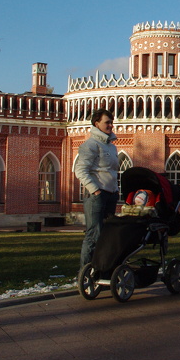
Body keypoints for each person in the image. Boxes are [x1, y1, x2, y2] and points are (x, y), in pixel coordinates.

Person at [75, 108, 120, 269]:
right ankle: (86, 273)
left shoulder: (111, 147)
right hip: (97, 197)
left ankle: (102, 269)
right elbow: (80, 170)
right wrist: (95, 190)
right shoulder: (91, 145)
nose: (110, 125)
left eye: (111, 122)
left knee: (106, 236)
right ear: (96, 123)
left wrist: (115, 190)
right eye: (107, 122)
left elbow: (112, 171)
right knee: (93, 235)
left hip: (111, 195)